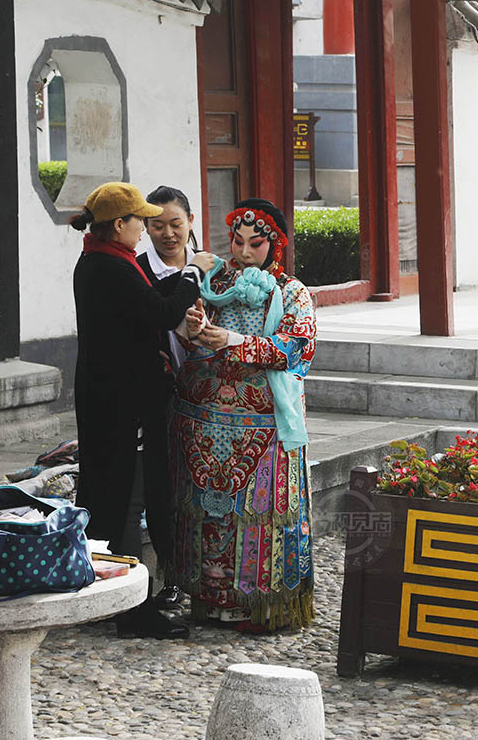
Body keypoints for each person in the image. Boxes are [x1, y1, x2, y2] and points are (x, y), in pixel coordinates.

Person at [71, 182, 216, 639]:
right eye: (143, 222)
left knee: (108, 498)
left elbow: (148, 295)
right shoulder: (109, 268)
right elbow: (161, 309)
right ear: (121, 225)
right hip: (123, 404)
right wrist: (192, 271)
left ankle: (102, 595)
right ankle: (133, 608)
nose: (149, 230)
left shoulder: (101, 260)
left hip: (110, 398)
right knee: (125, 503)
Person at [170, 198, 317, 632]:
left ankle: (263, 606)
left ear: (275, 245)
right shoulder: (213, 281)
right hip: (204, 417)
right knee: (210, 513)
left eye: (255, 244)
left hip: (265, 422)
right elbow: (194, 342)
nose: (244, 252)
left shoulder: (292, 292)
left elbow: (296, 350)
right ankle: (208, 600)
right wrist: (194, 328)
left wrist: (233, 340)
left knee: (261, 510)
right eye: (238, 242)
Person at [135, 185, 198, 611]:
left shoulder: (214, 269)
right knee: (162, 485)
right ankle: (172, 577)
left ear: (190, 222)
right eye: (157, 226)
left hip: (211, 398)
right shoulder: (136, 271)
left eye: (176, 224)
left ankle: (215, 577)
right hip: (159, 397)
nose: (168, 234)